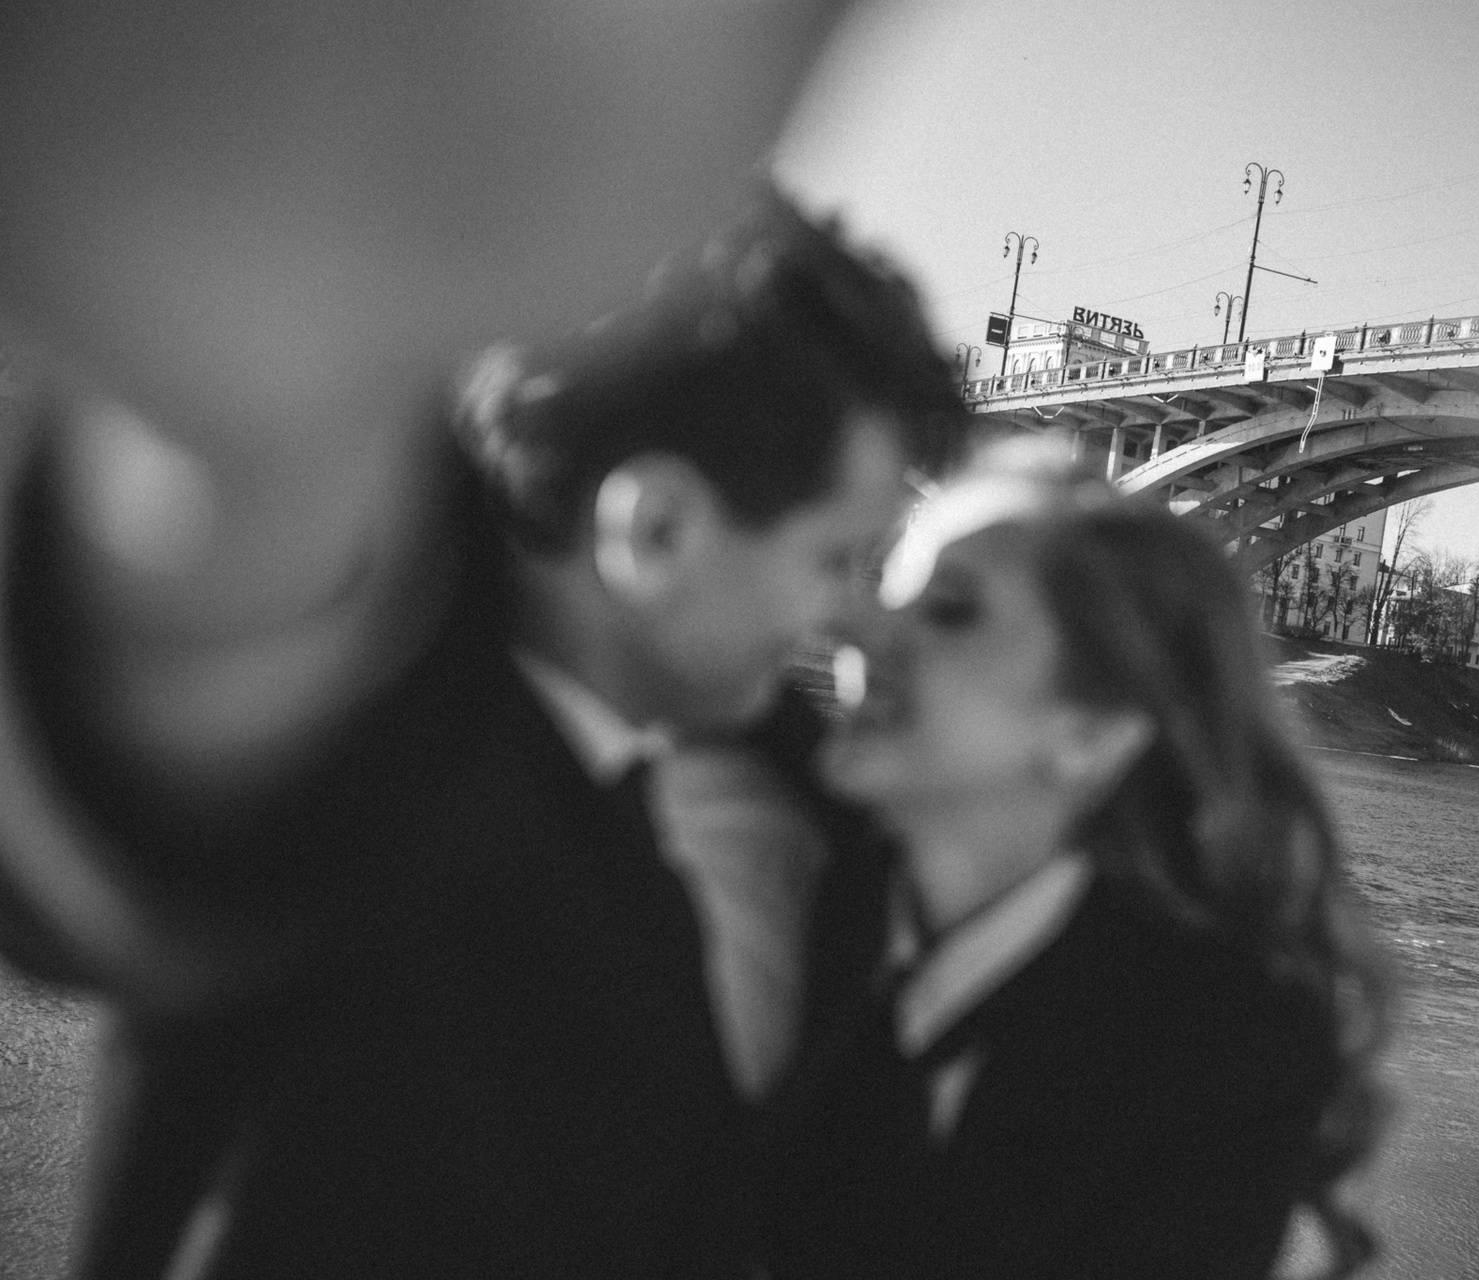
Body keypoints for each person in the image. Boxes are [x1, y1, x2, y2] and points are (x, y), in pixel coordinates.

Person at [0, 191, 962, 1278]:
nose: (854, 617)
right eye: (835, 560)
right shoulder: (331, 752)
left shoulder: (716, 798)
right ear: (657, 531)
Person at [759, 438, 1394, 1280]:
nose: (856, 630)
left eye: (949, 609)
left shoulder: (1216, 1058)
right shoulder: (741, 873)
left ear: (1088, 732)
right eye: (887, 591)